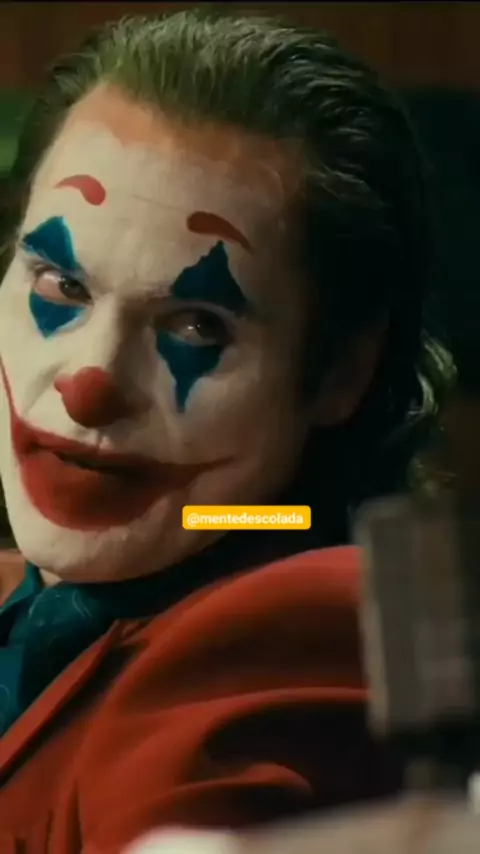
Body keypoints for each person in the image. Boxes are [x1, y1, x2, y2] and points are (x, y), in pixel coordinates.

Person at [0, 8, 453, 853]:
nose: (88, 385)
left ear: (340, 372)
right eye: (60, 285)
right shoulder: (91, 576)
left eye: (197, 325)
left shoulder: (288, 626)